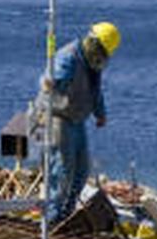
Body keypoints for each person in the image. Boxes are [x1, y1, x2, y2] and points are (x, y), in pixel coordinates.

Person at [36, 20, 120, 224]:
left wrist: (100, 113)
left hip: (76, 119)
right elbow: (48, 82)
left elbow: (95, 91)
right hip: (58, 117)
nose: (102, 57)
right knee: (62, 170)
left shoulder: (93, 63)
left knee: (81, 171)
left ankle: (67, 212)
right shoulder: (68, 57)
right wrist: (51, 88)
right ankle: (52, 218)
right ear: (93, 43)